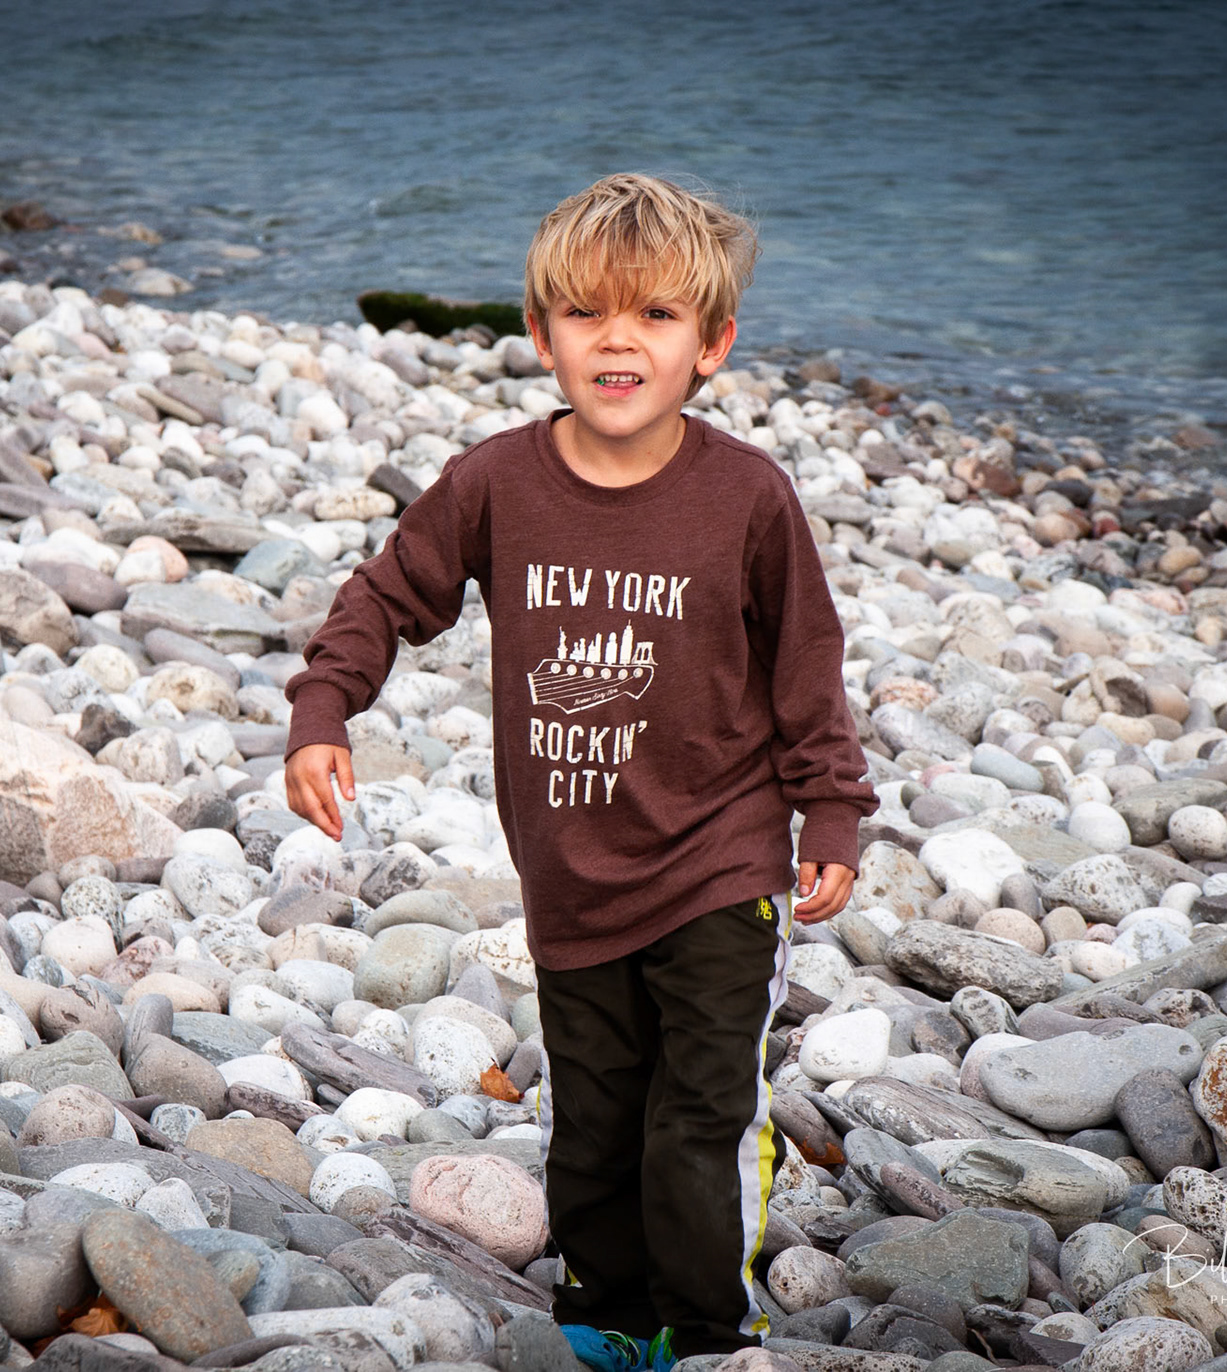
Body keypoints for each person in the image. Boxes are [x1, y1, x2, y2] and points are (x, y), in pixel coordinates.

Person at [283, 173, 878, 1371]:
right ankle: (607, 1322)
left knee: (698, 1116)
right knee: (596, 1125)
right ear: (541, 333)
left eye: (657, 317)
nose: (620, 339)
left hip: (722, 860)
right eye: (589, 315)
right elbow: (389, 594)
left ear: (711, 344)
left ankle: (712, 1333)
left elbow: (807, 666)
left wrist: (833, 813)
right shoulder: (498, 483)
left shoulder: (748, 498)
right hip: (572, 878)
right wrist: (323, 707)